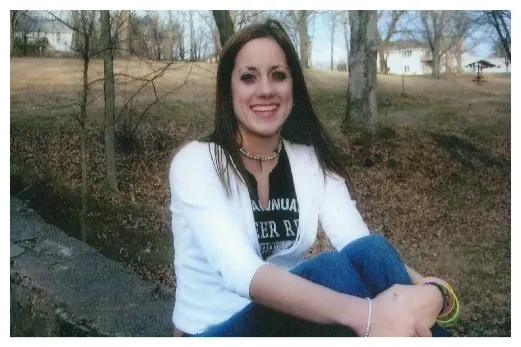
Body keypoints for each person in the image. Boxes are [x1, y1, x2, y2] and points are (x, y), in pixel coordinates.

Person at [168, 19, 459, 337]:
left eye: (278, 75)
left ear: (293, 85)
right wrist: (366, 315)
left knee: (371, 249)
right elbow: (241, 273)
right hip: (213, 330)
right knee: (330, 270)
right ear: (228, 90)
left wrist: (433, 292)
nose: (265, 89)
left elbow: (360, 248)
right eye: (248, 77)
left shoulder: (308, 160)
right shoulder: (196, 162)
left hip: (288, 322)